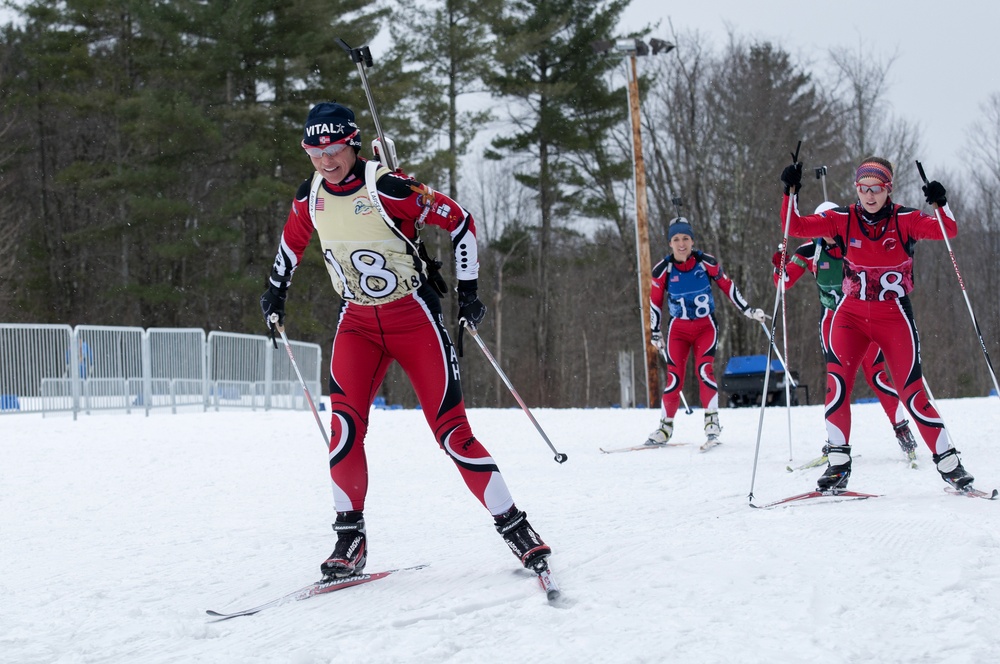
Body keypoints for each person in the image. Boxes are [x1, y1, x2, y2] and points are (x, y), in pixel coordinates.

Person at [259, 102, 551, 580]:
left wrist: (469, 290)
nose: (325, 161)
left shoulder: (390, 188)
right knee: (345, 429)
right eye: (314, 151)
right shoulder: (308, 194)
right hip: (356, 321)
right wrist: (275, 292)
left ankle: (516, 526)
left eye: (333, 150)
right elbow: (292, 243)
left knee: (452, 432)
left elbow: (461, 222)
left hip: (413, 317)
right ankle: (349, 539)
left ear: (352, 143)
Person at [779, 156, 974, 491]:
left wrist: (940, 203)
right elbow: (795, 227)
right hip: (850, 314)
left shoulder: (906, 219)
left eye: (877, 188)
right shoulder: (842, 219)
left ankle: (949, 464)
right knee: (837, 387)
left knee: (912, 393)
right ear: (856, 188)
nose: (870, 195)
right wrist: (790, 191)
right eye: (863, 188)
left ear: (888, 189)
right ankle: (838, 465)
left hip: (893, 314)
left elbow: (949, 230)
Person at [772, 201, 917, 461]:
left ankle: (901, 428)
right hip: (831, 321)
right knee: (836, 382)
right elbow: (783, 283)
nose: (825, 230)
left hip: (863, 317)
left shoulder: (852, 242)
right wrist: (779, 265)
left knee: (876, 376)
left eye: (828, 222)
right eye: (820, 223)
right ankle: (835, 442)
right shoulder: (809, 249)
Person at [645, 217, 767, 447]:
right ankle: (665, 428)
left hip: (705, 327)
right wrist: (655, 331)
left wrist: (748, 310)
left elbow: (727, 286)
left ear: (692, 241)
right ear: (670, 243)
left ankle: (712, 423)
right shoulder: (663, 269)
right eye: (676, 239)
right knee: (674, 378)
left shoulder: (705, 262)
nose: (682, 244)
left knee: (704, 370)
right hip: (678, 330)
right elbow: (654, 302)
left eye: (686, 239)